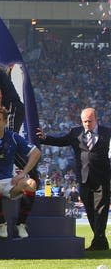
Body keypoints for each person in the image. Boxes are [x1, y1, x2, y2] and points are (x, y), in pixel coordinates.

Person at [36, 107, 110, 251]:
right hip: (84, 179)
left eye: (90, 121)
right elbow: (60, 141)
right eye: (84, 121)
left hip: (103, 179)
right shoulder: (75, 132)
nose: (87, 124)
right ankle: (101, 241)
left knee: (100, 210)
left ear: (96, 119)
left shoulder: (107, 133)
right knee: (90, 211)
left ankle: (97, 243)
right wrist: (45, 138)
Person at [0, 106, 40, 239]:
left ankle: (21, 224)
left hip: (9, 182)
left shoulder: (13, 137)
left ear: (5, 122)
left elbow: (36, 152)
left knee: (31, 183)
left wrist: (22, 174)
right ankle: (1, 224)